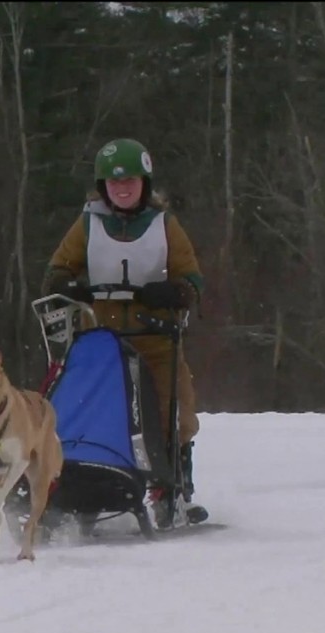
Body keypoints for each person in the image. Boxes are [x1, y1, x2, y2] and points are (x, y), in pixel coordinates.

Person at [40, 138, 208, 525]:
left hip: (157, 339)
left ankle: (174, 490)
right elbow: (56, 271)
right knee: (97, 414)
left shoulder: (165, 226)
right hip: (104, 342)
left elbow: (192, 278)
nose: (122, 189)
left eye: (130, 181)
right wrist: (68, 285)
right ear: (103, 188)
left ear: (144, 184)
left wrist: (176, 292)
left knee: (174, 414)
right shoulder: (88, 224)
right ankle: (87, 488)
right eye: (114, 183)